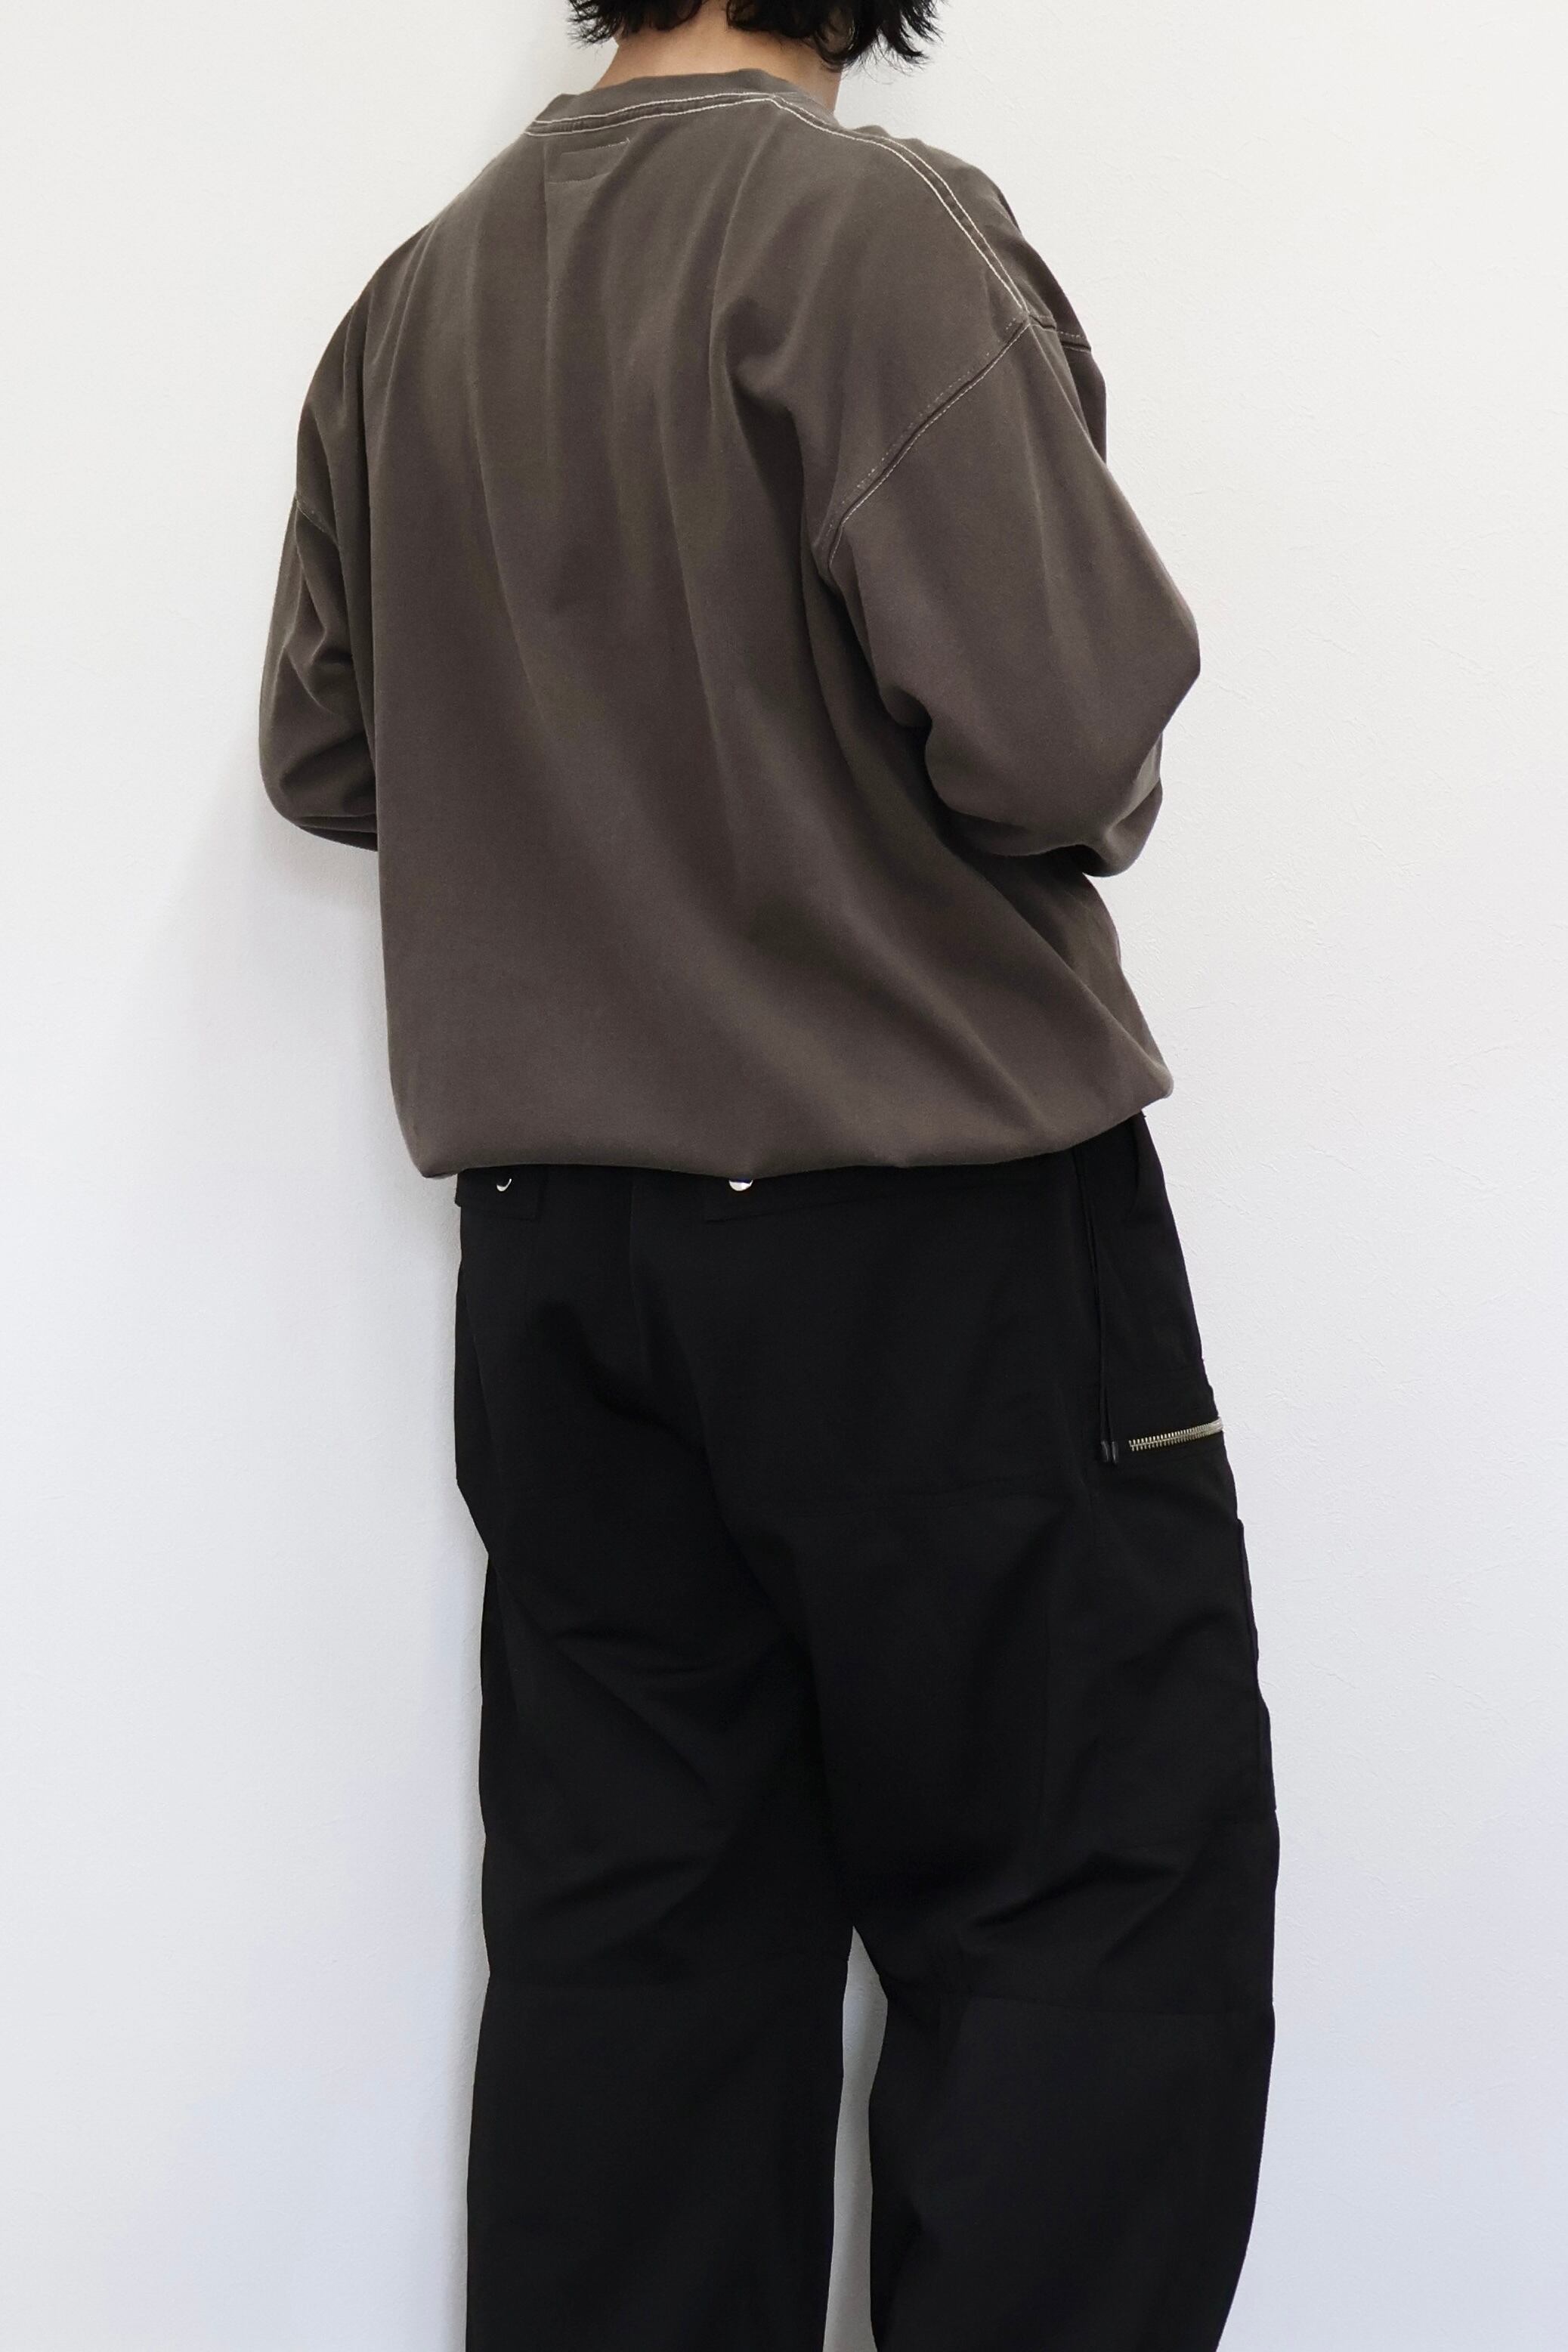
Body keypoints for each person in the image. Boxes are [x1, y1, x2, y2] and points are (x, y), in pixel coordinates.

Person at [259, 2, 1279, 2344]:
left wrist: (588, 806)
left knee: (639, 1952)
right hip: (928, 1237)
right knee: (1079, 1909)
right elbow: (1055, 737)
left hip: (565, 1269)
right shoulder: (866, 232)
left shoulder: (420, 291)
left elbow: (332, 746)